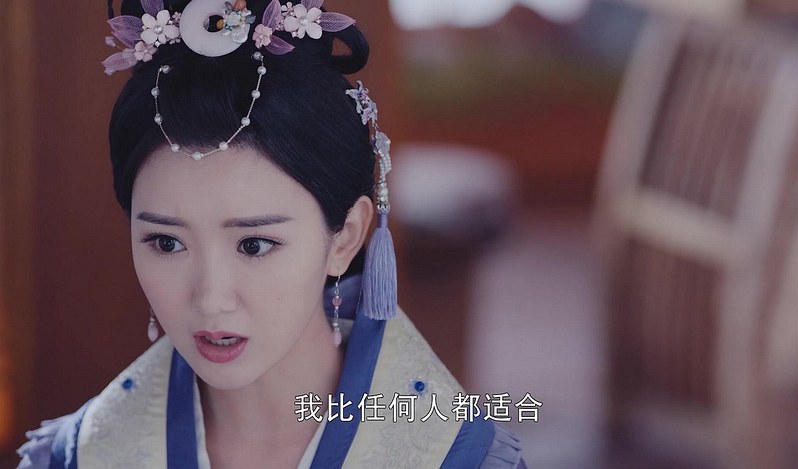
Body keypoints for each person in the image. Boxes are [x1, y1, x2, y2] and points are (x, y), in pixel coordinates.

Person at [16, 0, 525, 467]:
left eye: (254, 245)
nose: (211, 299)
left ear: (346, 237)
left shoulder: (453, 455)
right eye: (166, 243)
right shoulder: (82, 454)